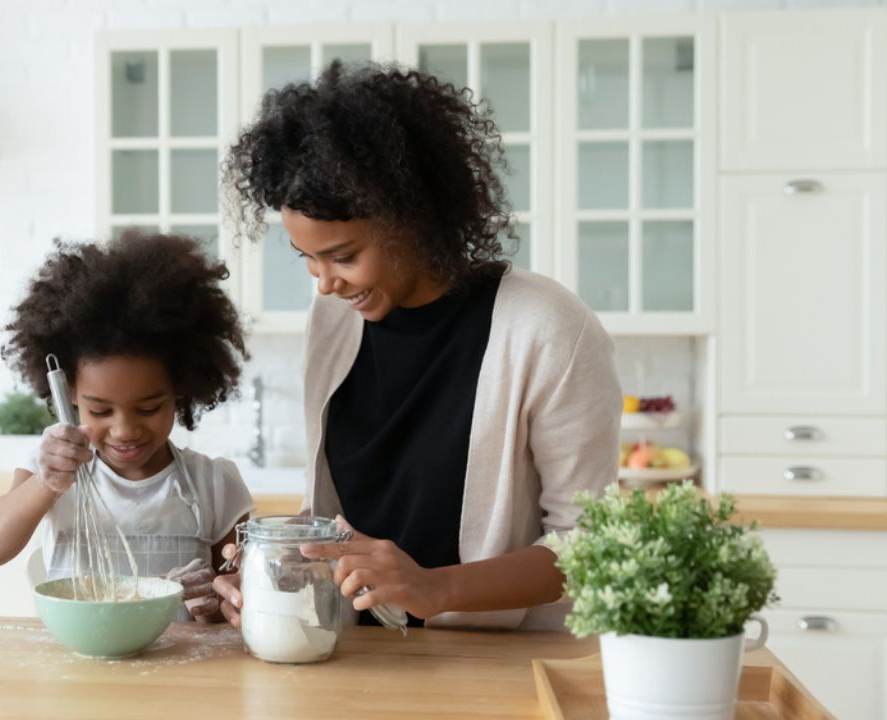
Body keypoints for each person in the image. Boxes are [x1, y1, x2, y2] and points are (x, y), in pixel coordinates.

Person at [215, 61, 621, 631]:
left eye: (344, 256)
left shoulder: (547, 329)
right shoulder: (333, 320)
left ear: (414, 219)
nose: (325, 282)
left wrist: (435, 587)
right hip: (353, 656)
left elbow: (593, 548)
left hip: (495, 671)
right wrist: (272, 565)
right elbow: (340, 519)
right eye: (306, 256)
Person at [0, 232, 254, 622]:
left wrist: (218, 602)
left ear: (182, 389)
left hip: (181, 674)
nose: (124, 430)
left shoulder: (213, 483)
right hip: (78, 672)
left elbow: (238, 595)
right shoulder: (52, 472)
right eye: (101, 411)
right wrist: (47, 483)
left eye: (149, 407)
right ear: (69, 393)